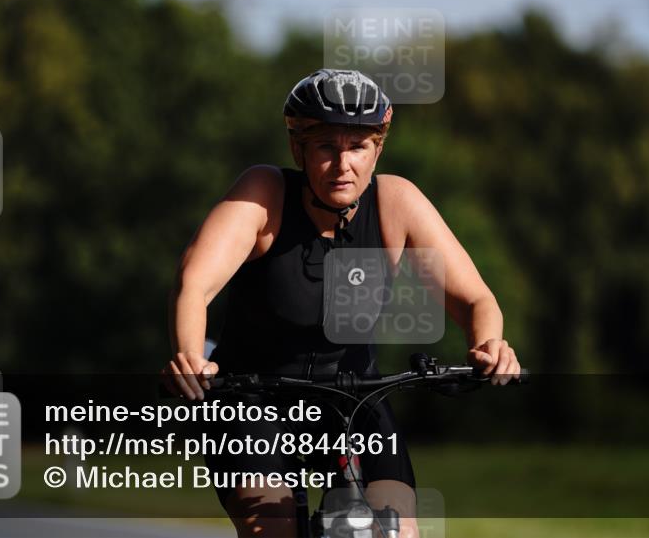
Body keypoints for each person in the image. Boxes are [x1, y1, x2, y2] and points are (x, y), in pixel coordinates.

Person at [165, 68, 521, 538]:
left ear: (378, 149)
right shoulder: (264, 195)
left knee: (395, 532)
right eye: (326, 147)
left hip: (357, 399)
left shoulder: (398, 202)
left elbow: (474, 298)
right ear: (299, 150)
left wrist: (489, 344)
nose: (343, 164)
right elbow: (195, 282)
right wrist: (191, 354)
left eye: (357, 147)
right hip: (252, 401)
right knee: (273, 529)